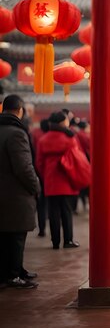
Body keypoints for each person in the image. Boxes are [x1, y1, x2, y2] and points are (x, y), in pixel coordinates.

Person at [0, 95, 41, 288]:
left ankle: (14, 270)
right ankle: (14, 274)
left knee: (5, 235)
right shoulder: (17, 133)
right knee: (16, 236)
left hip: (4, 193)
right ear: (20, 110)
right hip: (15, 193)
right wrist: (35, 186)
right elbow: (24, 167)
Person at [36, 111, 81, 249]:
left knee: (53, 211)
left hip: (50, 180)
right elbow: (76, 159)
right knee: (66, 211)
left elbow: (39, 163)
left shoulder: (43, 140)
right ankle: (68, 241)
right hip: (66, 179)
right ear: (63, 122)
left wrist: (45, 175)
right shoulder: (70, 138)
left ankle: (55, 242)